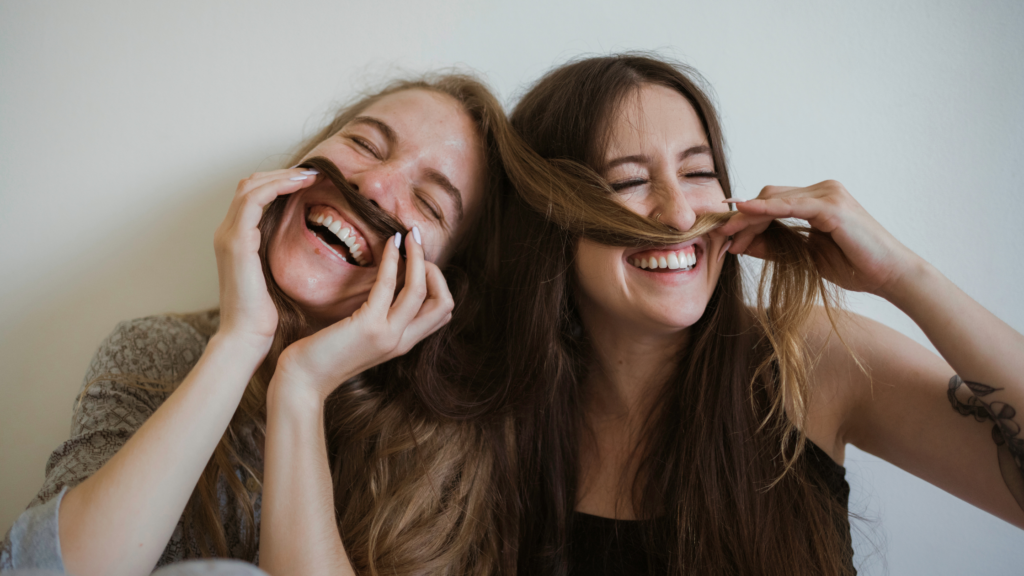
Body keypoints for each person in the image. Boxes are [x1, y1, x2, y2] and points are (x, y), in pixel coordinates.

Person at [476, 54, 1024, 575]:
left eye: (698, 172)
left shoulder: (808, 356)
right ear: (546, 215)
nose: (681, 211)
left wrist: (902, 277)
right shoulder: (487, 421)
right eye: (628, 181)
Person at [1, 73, 521, 576]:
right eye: (365, 143)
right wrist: (239, 342)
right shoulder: (158, 355)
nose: (374, 185)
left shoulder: (444, 454)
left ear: (441, 287)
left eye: (428, 202)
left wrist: (301, 387)